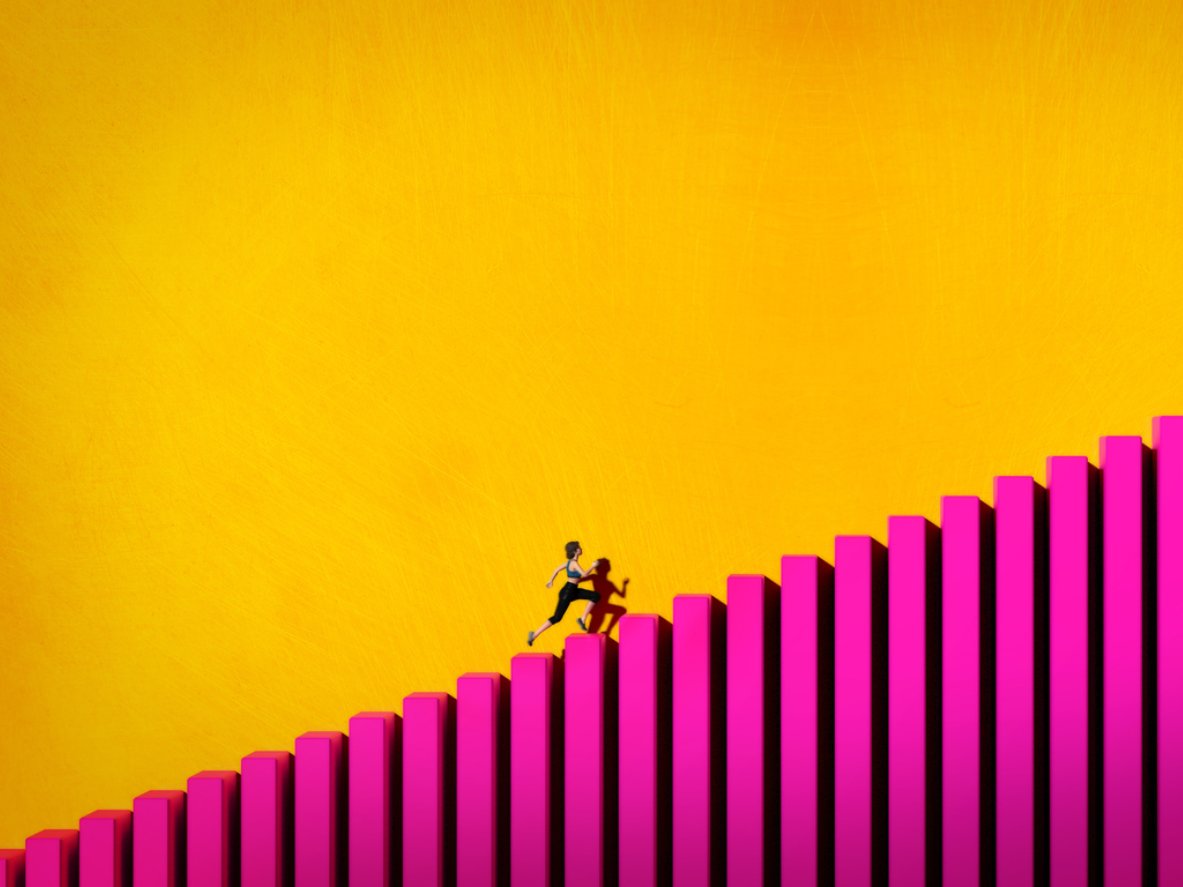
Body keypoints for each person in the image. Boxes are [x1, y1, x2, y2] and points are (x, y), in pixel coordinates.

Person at [527, 540, 601, 646]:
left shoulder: (568, 563)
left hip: (572, 590)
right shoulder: (574, 563)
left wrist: (551, 580)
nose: (581, 549)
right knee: (557, 617)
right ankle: (533, 635)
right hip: (568, 592)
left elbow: (556, 570)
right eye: (579, 547)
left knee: (596, 596)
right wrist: (593, 566)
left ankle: (582, 618)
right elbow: (584, 575)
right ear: (575, 551)